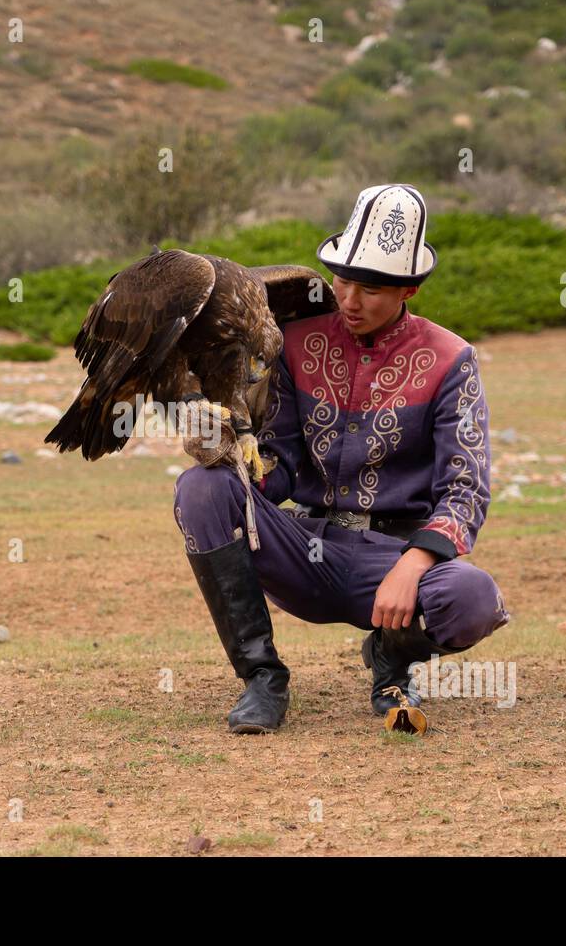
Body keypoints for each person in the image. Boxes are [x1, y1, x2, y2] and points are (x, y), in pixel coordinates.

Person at [173, 183, 510, 734]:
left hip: (394, 561)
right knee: (201, 487)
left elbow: (465, 489)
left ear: (410, 290)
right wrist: (228, 453)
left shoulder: (453, 360)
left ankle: (393, 658)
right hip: (306, 549)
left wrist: (413, 564)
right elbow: (275, 463)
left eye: (371, 289)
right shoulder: (296, 342)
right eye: (343, 281)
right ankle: (262, 678)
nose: (349, 300)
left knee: (471, 597)